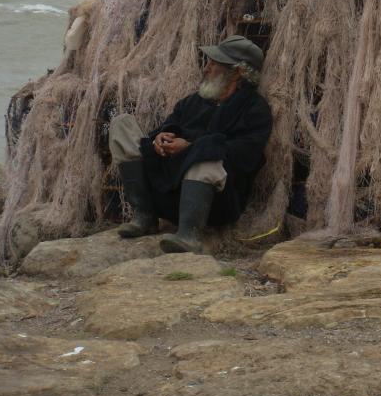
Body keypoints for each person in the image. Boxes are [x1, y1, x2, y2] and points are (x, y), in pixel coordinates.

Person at [108, 35, 273, 254]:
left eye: (214, 65)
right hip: (166, 189)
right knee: (122, 125)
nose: (206, 68)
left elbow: (244, 155)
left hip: (212, 204)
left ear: (237, 72)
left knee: (207, 159)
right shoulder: (195, 100)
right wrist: (161, 138)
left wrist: (191, 147)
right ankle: (145, 216)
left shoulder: (255, 110)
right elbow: (172, 123)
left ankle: (189, 235)